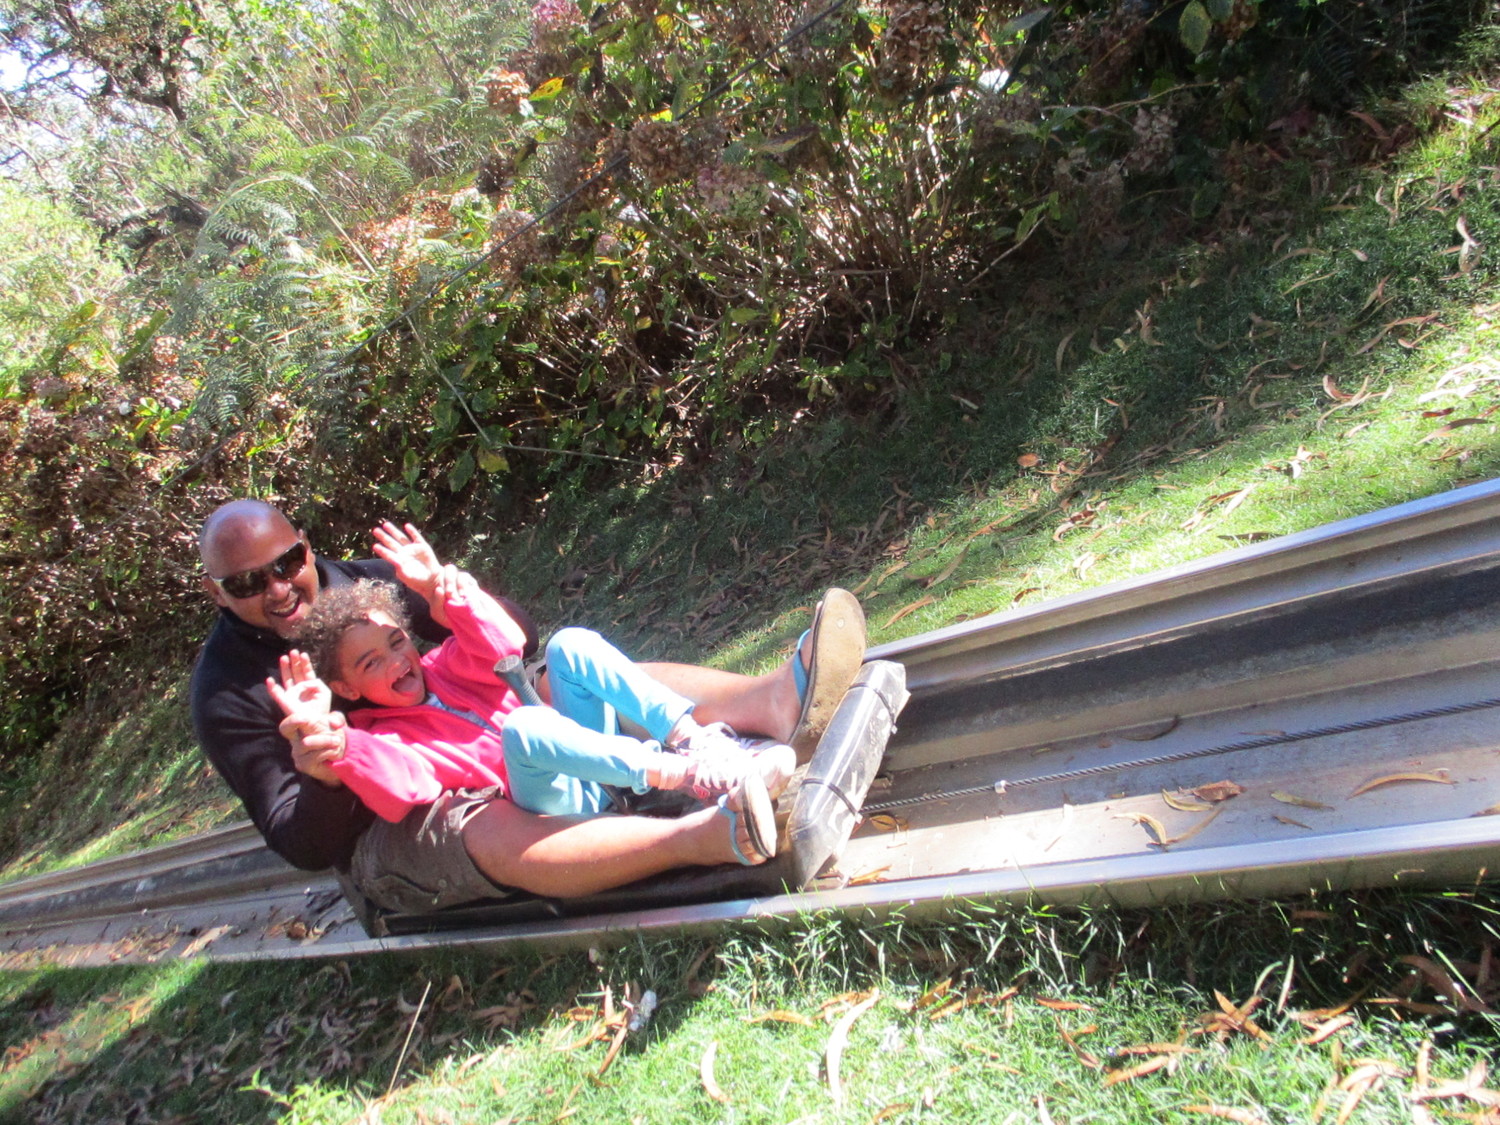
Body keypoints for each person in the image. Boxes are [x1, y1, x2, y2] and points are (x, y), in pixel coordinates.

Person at [190, 498, 866, 915]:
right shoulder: (227, 694)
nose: (279, 587)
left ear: (305, 545)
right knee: (477, 808)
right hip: (376, 817)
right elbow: (305, 839)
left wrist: (450, 591)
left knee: (552, 671)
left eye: (288, 562)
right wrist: (330, 763)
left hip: (497, 741)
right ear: (218, 592)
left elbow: (514, 644)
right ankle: (715, 831)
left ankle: (768, 706)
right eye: (249, 582)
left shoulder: (360, 586)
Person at [268, 522, 794, 867]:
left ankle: (697, 744)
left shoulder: (444, 664)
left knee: (570, 645)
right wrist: (339, 747)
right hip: (555, 808)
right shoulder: (381, 737)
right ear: (345, 688)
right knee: (524, 726)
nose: (397, 662)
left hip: (594, 770)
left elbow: (507, 645)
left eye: (396, 642)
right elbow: (401, 787)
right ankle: (691, 778)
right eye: (370, 664)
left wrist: (441, 595)